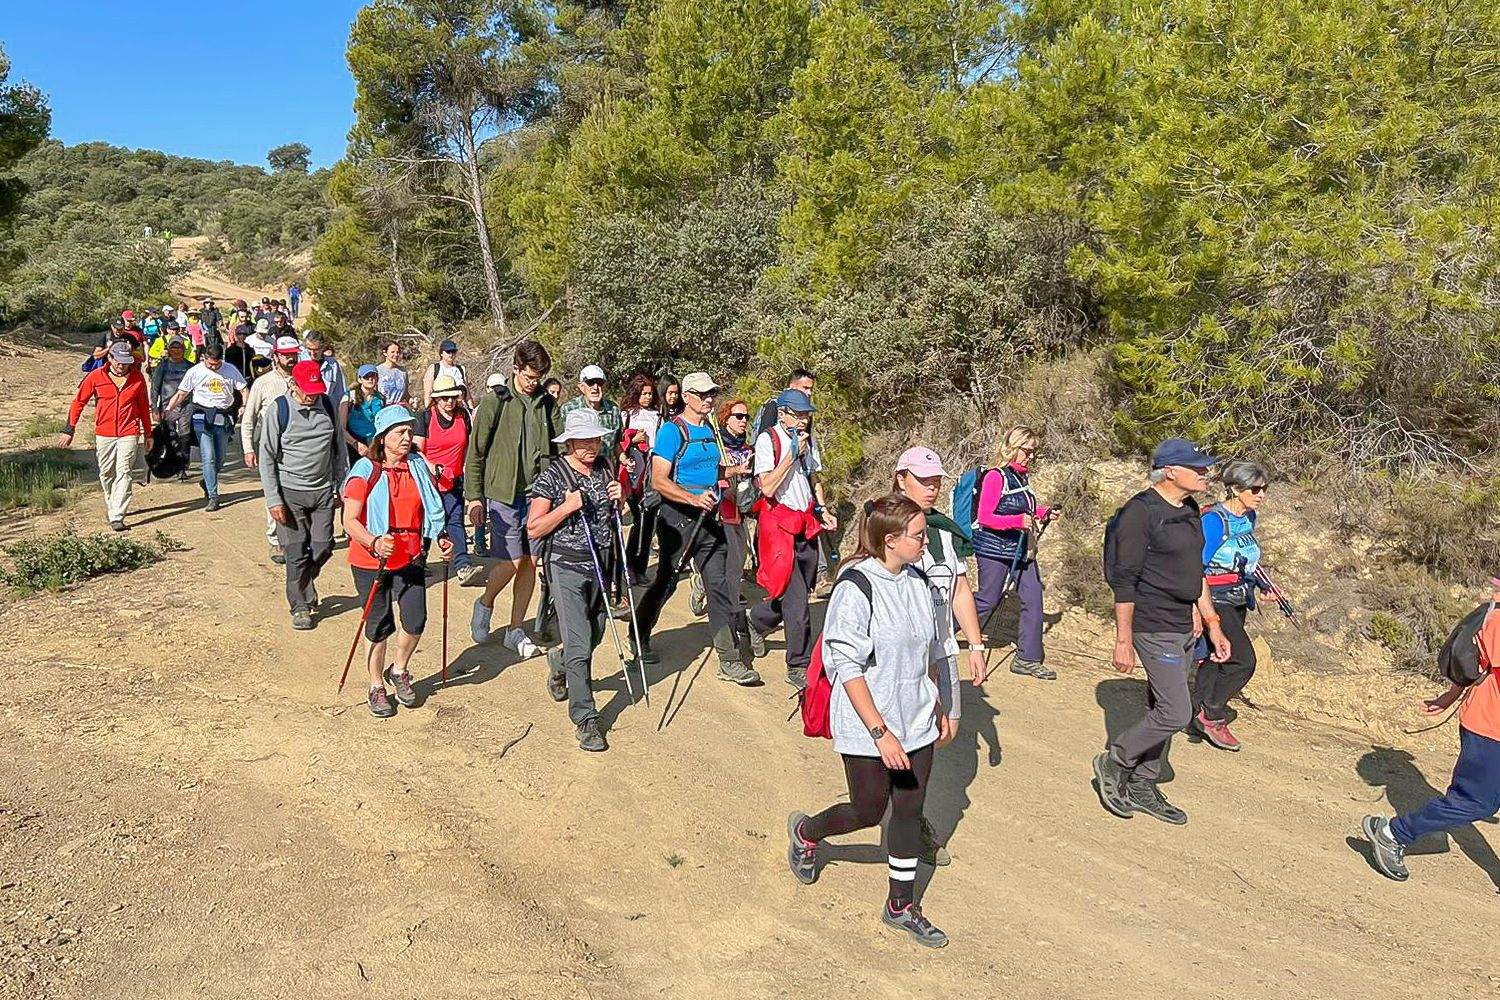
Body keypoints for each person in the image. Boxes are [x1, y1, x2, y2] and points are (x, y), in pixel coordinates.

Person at [785, 493, 954, 948]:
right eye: (919, 536)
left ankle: (900, 904)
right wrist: (881, 733)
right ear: (891, 540)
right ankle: (807, 832)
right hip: (868, 725)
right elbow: (848, 668)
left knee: (908, 810)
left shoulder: (919, 582)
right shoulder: (856, 587)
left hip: (915, 718)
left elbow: (930, 650)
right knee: (867, 810)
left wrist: (936, 704)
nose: (926, 542)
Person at [1093, 438, 1232, 826]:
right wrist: (1123, 641)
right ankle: (1115, 760)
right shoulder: (1139, 514)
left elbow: (1195, 573)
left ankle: (1143, 783)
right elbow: (1124, 581)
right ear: (1170, 471)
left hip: (1184, 624)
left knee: (1163, 706)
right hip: (1152, 624)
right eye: (1197, 468)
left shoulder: (1188, 509)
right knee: (1176, 711)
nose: (1205, 473)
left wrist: (1212, 623)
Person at [1364, 582, 1500, 883]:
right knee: (1475, 801)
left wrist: (1449, 697)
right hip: (1489, 729)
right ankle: (1392, 833)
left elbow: (1480, 664)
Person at [892, 445, 989, 867]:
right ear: (901, 479)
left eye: (936, 482)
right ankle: (908, 820)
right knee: (915, 740)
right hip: (906, 658)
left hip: (943, 649)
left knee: (945, 732)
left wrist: (977, 645)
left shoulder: (946, 532)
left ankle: (903, 808)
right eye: (923, 480)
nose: (931, 489)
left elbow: (959, 590)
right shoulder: (886, 527)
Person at [635, 372, 759, 684]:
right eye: (702, 394)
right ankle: (640, 632)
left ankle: (729, 659)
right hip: (677, 519)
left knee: (716, 586)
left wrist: (732, 470)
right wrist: (692, 497)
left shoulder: (711, 429)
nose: (709, 399)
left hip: (710, 517)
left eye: (712, 394)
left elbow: (708, 467)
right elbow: (659, 479)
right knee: (666, 580)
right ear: (687, 396)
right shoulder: (671, 431)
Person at [342, 405, 452, 718]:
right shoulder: (365, 470)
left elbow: (429, 509)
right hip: (370, 558)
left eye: (409, 431)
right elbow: (349, 520)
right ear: (383, 437)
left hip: (411, 554)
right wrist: (374, 541)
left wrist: (441, 536)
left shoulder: (417, 465)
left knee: (416, 619)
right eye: (399, 432)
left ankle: (399, 669)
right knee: (379, 626)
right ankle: (376, 685)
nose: (407, 437)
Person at [528, 408, 627, 752]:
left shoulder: (604, 468)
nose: (592, 445)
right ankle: (586, 719)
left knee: (595, 633)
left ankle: (559, 661)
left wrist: (621, 499)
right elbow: (535, 527)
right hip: (565, 565)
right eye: (585, 440)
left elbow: (616, 515)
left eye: (596, 438)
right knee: (581, 645)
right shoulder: (553, 475)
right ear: (570, 442)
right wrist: (567, 507)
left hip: (601, 564)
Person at [465, 340, 559, 657]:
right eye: (530, 377)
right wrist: (474, 497)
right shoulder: (497, 402)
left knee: (531, 562)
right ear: (515, 369)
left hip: (538, 494)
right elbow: (475, 453)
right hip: (503, 494)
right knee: (511, 561)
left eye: (539, 378)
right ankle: (486, 601)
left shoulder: (547, 403)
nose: (534, 383)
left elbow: (559, 447)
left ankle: (515, 630)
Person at [748, 388, 836, 687]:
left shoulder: (809, 441)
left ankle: (756, 620)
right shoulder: (767, 440)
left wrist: (823, 509)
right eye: (797, 414)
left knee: (795, 591)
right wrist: (790, 456)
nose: (802, 420)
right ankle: (798, 664)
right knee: (798, 601)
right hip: (779, 528)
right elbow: (767, 487)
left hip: (806, 522)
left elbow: (814, 477)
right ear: (782, 413)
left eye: (806, 415)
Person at [259, 360, 347, 630]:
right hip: (290, 493)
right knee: (296, 553)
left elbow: (338, 449)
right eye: (308, 390)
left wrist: (342, 485)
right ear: (293, 385)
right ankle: (300, 606)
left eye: (316, 390)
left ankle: (305, 582)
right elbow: (267, 457)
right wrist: (273, 499)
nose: (312, 396)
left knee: (323, 546)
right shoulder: (279, 410)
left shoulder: (328, 406)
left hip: (322, 492)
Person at [1193, 460, 1274, 751]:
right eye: (1255, 489)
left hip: (1239, 597)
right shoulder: (1214, 520)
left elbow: (1247, 556)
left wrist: (1264, 584)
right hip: (1214, 599)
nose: (1261, 494)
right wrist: (1199, 610)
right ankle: (1212, 714)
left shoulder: (1249, 517)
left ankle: (1194, 711)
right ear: (1236, 489)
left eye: (1265, 488)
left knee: (1219, 656)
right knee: (1243, 660)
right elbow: (1196, 567)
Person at [972, 426, 1059, 681]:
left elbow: (1023, 509)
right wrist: (1017, 521)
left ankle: (1027, 659)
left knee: (1034, 600)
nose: (1031, 457)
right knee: (988, 600)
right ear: (1013, 447)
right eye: (1027, 451)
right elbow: (985, 517)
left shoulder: (1022, 479)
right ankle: (941, 629)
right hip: (994, 549)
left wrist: (1042, 513)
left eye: (1034, 452)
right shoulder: (995, 476)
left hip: (1021, 549)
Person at [60, 341, 151, 532]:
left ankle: (117, 514)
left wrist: (148, 434)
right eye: (118, 361)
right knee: (107, 472)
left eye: (126, 362)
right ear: (109, 358)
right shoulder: (96, 376)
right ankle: (112, 503)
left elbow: (143, 406)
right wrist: (69, 429)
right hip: (104, 433)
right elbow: (78, 402)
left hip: (129, 432)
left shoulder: (137, 378)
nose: (122, 365)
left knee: (124, 471)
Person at [165, 345, 248, 512]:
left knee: (221, 458)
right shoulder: (195, 372)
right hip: (201, 416)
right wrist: (167, 411)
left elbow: (244, 389)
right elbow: (181, 394)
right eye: (210, 364)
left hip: (223, 416)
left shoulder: (230, 370)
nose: (214, 367)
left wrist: (244, 405)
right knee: (208, 457)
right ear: (204, 358)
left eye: (217, 364)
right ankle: (213, 496)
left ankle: (207, 480)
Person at [241, 335, 302, 563]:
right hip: (271, 447)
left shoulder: (303, 379)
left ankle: (296, 537)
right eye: (286, 356)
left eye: (293, 355)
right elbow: (248, 419)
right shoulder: (263, 383)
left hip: (298, 448)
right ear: (275, 356)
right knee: (273, 490)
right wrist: (248, 448)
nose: (290, 359)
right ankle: (276, 541)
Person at [413, 375, 476, 584]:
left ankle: (463, 564)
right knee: (426, 523)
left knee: (455, 519)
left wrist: (467, 467)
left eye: (452, 397)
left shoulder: (463, 416)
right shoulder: (425, 417)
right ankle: (419, 562)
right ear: (436, 399)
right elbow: (415, 449)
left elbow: (468, 445)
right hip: (428, 481)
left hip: (453, 479)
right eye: (444, 398)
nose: (449, 401)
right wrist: (430, 465)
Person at [716, 398, 756, 661]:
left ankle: (707, 588)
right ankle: (733, 625)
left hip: (741, 514)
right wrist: (732, 478)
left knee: (737, 564)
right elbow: (714, 476)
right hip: (721, 514)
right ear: (726, 418)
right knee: (731, 572)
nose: (743, 421)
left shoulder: (748, 448)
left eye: (746, 417)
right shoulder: (716, 445)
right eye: (738, 416)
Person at [620, 373, 661, 579]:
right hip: (633, 472)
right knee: (639, 518)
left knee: (649, 520)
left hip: (652, 472)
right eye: (644, 393)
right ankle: (629, 565)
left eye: (650, 394)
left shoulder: (657, 416)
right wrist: (633, 439)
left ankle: (640, 568)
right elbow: (618, 442)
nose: (647, 397)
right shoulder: (627, 414)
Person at [149, 336, 195, 477]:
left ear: (184, 349)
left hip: (186, 406)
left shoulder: (190, 366)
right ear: (168, 349)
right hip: (167, 407)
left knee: (185, 436)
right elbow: (155, 388)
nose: (176, 351)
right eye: (173, 347)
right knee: (171, 436)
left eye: (179, 347)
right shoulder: (163, 366)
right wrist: (155, 408)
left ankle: (183, 466)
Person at [558, 364, 623, 456]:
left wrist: (624, 460)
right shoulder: (568, 409)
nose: (595, 388)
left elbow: (617, 443)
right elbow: (562, 445)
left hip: (605, 468)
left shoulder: (613, 410)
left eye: (599, 383)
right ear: (581, 387)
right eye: (590, 382)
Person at [341, 364, 385, 465]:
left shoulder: (381, 398)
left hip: (374, 443)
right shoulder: (349, 397)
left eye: (373, 376)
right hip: (353, 443)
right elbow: (341, 427)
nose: (370, 379)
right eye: (366, 377)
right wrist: (355, 444)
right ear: (360, 379)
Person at [755, 367, 816, 439]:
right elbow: (763, 438)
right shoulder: (774, 405)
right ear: (792, 386)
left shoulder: (807, 410)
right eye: (805, 388)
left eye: (811, 389)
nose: (809, 393)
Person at [302, 331, 347, 405]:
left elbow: (341, 391)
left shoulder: (333, 365)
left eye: (316, 349)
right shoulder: (301, 362)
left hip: (328, 409)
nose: (312, 353)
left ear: (323, 348)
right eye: (309, 349)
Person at [420, 339, 468, 409]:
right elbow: (428, 393)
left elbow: (467, 395)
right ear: (441, 353)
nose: (451, 354)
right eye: (448, 352)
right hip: (440, 410)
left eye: (453, 351)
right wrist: (428, 411)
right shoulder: (434, 368)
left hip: (460, 409)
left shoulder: (461, 369)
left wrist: (471, 410)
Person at [375, 340, 408, 407]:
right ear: (385, 353)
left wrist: (412, 400)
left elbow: (405, 394)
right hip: (382, 409)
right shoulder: (377, 370)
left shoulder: (403, 372)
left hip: (399, 410)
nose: (396, 355)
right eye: (392, 352)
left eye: (398, 352)